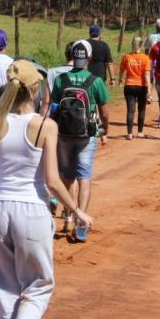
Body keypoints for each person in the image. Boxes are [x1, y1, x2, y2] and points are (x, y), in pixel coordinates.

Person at [0, 60, 93, 319]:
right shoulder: (45, 125)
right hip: (31, 212)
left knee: (7, 291)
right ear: (36, 90)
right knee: (39, 286)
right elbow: (52, 182)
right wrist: (77, 211)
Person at [51, 40, 110, 241]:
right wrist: (104, 130)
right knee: (84, 178)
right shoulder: (96, 81)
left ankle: (68, 217)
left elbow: (54, 106)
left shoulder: (61, 79)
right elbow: (104, 110)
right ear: (90, 58)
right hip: (87, 134)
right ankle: (81, 224)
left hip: (64, 134)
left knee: (66, 178)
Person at [118, 36, 151, 139]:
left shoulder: (126, 57)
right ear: (141, 45)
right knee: (142, 110)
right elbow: (146, 75)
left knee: (130, 110)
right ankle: (140, 132)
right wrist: (149, 89)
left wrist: (119, 79)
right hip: (141, 87)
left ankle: (129, 133)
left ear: (132, 44)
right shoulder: (145, 58)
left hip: (129, 86)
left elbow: (121, 71)